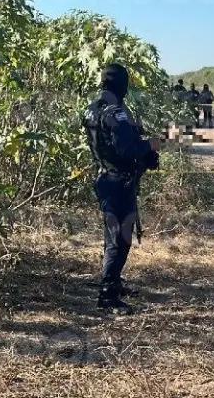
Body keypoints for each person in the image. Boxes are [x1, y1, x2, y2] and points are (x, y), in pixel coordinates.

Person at [82, 63, 160, 315]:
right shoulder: (116, 113)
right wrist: (151, 146)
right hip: (118, 183)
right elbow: (127, 149)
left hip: (104, 178)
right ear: (122, 85)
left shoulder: (92, 110)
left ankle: (113, 281)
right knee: (120, 239)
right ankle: (108, 296)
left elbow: (112, 143)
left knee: (112, 235)